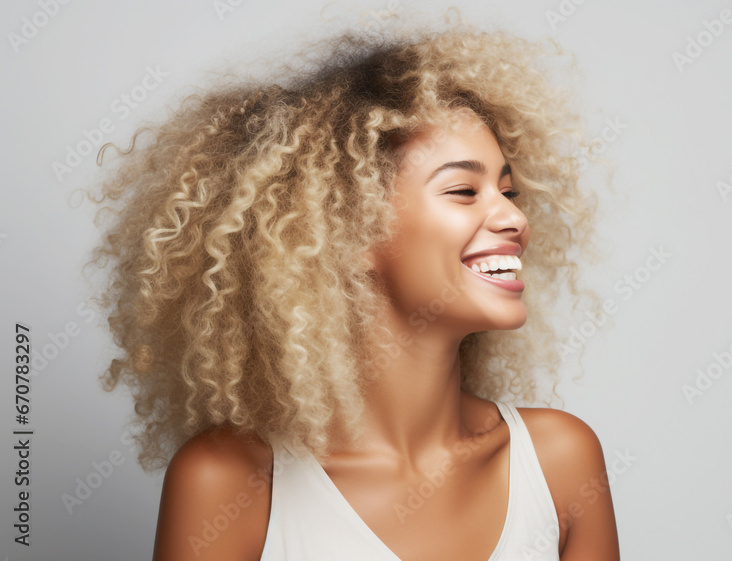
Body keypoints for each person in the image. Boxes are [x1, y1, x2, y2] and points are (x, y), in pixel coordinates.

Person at [86, 9, 619, 560]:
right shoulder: (230, 483)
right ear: (347, 231)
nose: (513, 219)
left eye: (507, 192)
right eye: (464, 191)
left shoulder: (559, 460)